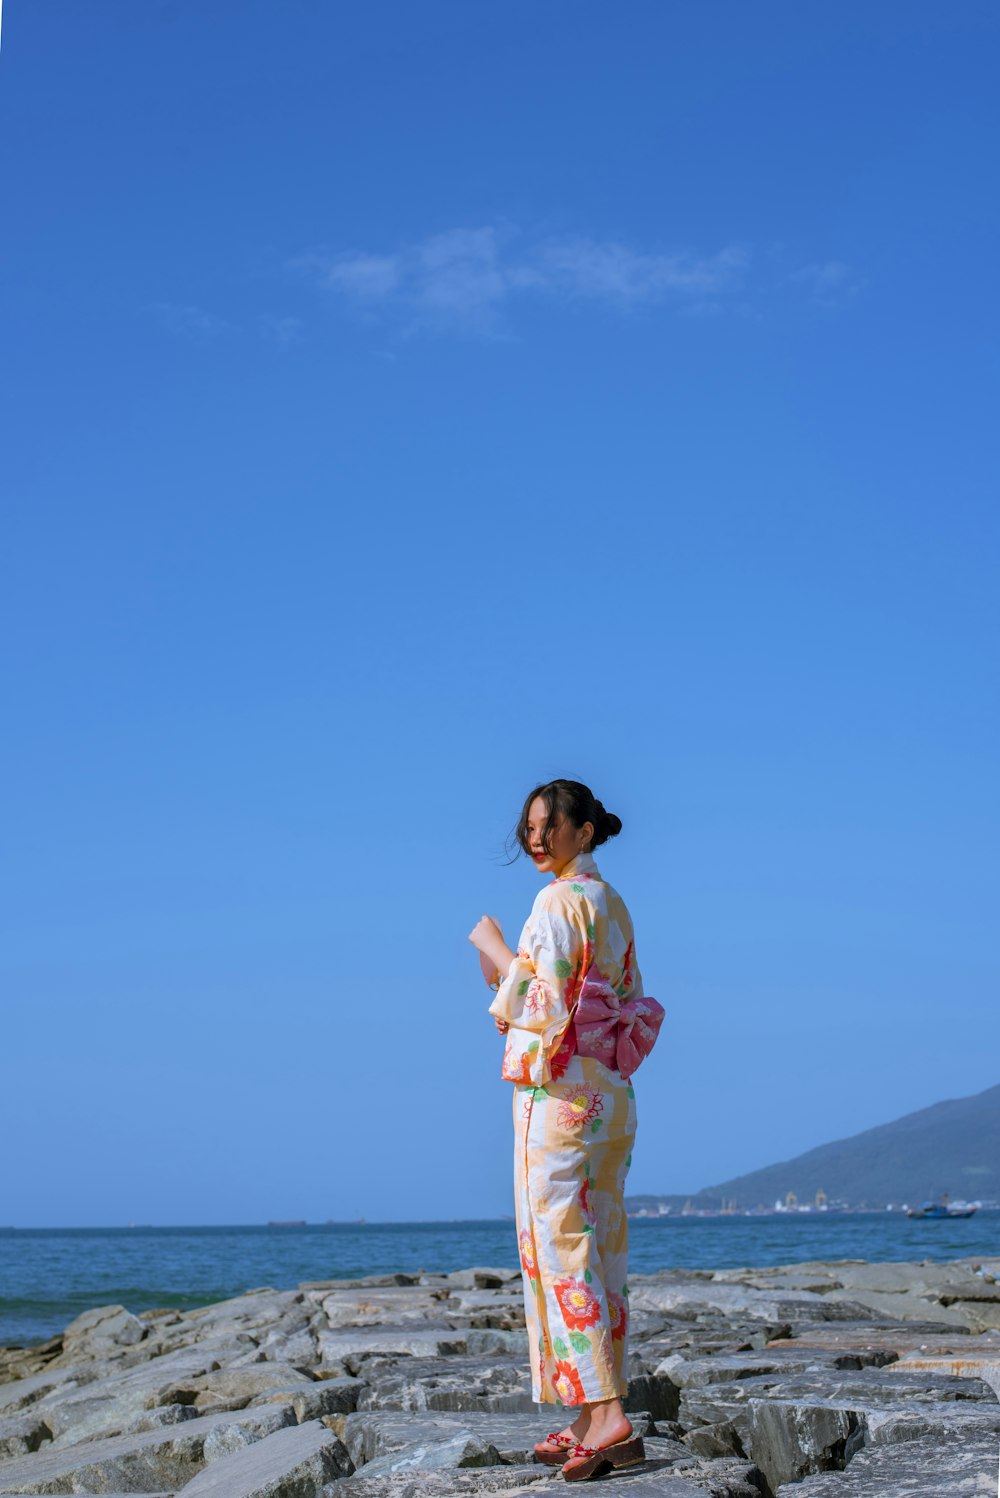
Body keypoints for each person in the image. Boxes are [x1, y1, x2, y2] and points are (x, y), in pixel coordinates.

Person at [469, 779, 664, 1482]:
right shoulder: (612, 903)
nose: (535, 838)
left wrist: (496, 953)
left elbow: (543, 1007)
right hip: (611, 1091)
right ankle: (587, 1414)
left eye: (548, 826)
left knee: (558, 1249)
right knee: (603, 1245)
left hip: (560, 1091)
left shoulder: (554, 903)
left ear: (583, 832)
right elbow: (627, 995)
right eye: (529, 827)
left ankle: (607, 1415)